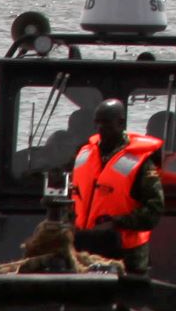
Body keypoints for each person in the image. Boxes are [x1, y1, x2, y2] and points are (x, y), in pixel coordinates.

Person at [70, 98, 165, 274]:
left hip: (126, 256)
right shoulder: (84, 155)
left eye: (106, 123)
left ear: (121, 123)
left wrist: (116, 223)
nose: (100, 128)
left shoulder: (140, 162)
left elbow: (154, 211)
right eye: (97, 123)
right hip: (85, 249)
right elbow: (72, 196)